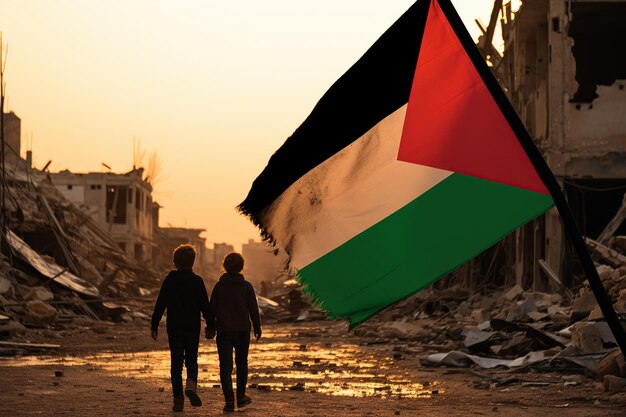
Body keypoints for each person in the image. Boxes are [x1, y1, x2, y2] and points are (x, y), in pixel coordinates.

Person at [151, 244, 212, 412]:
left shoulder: (170, 280)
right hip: (192, 328)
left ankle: (178, 400)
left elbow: (160, 303)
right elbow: (205, 306)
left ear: (174, 262)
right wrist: (211, 325)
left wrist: (154, 324)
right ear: (193, 262)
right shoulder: (197, 281)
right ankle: (191, 385)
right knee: (192, 360)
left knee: (176, 364)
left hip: (175, 328)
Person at [207, 252, 261, 412]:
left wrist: (211, 328)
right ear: (241, 266)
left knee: (225, 367)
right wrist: (257, 327)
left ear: (225, 266)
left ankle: (229, 401)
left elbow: (212, 310)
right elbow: (253, 309)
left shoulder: (219, 287)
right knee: (242, 364)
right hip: (242, 331)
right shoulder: (246, 286)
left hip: (224, 331)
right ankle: (241, 397)